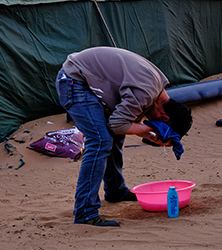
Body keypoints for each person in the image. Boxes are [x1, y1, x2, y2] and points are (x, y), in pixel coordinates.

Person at [56, 47, 192, 227]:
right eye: (162, 128)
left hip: (83, 78)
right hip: (74, 81)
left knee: (114, 136)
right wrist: (150, 133)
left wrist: (149, 133)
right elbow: (117, 124)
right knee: (100, 140)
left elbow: (119, 127)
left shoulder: (157, 88)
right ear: (164, 118)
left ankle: (116, 191)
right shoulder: (146, 92)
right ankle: (84, 212)